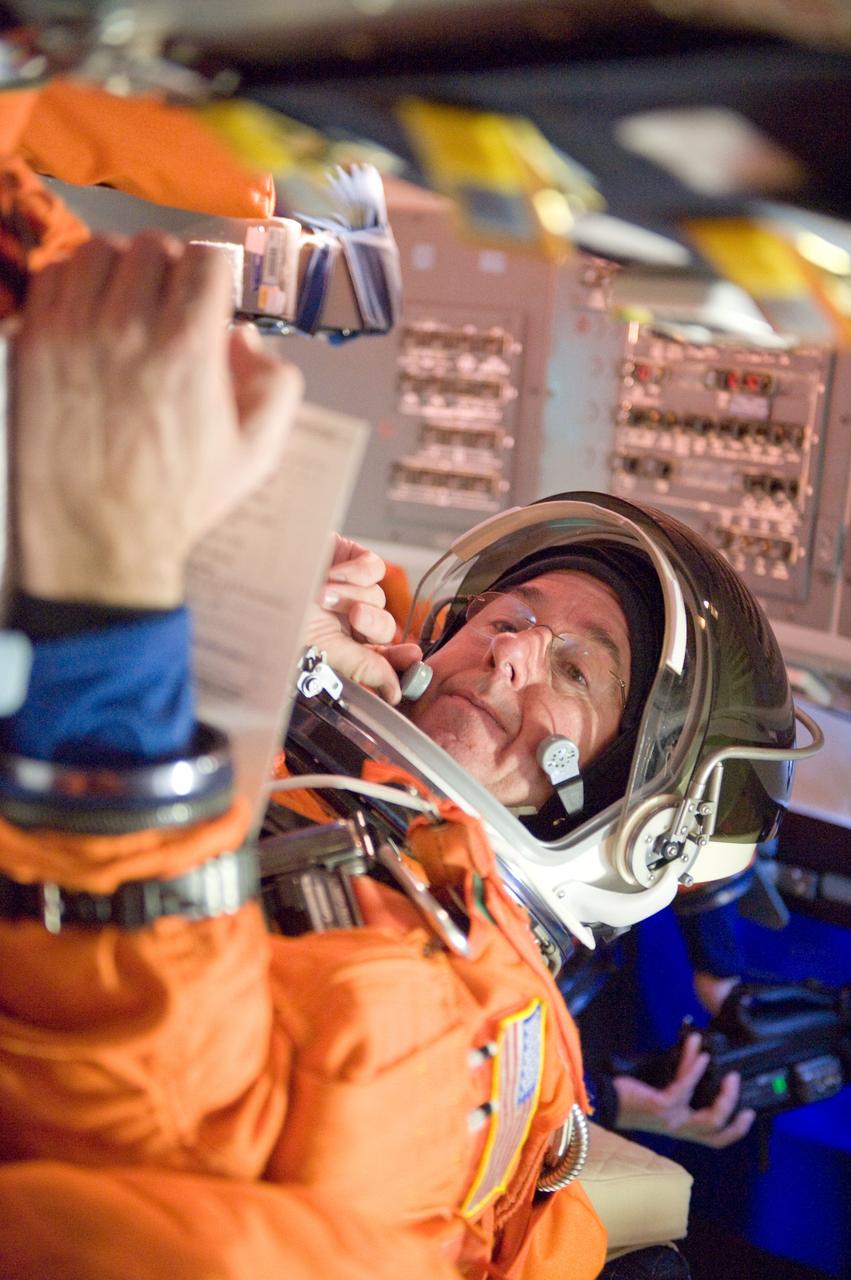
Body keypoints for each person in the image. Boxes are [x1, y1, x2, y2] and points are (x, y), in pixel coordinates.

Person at [0, 232, 608, 1279]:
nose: (510, 647)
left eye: (575, 670)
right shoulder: (371, 825)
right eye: (510, 614)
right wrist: (226, 611)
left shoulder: (453, 988)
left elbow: (150, 1143)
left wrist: (116, 630)